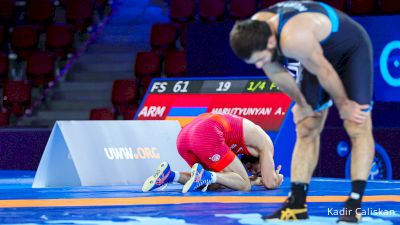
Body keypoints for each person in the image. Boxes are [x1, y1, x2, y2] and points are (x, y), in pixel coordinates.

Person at [229, 1, 374, 223]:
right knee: (306, 126)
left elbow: (325, 71)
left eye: (260, 60)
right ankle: (296, 205)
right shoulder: (256, 30)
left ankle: (354, 204)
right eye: (254, 62)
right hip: (314, 55)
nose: (259, 66)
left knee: (357, 124)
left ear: (270, 41)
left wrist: (345, 105)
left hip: (350, 49)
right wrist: (302, 104)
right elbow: (277, 73)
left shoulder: (293, 38)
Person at [142, 112, 283, 193]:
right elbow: (270, 182)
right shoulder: (265, 142)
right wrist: (277, 177)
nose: (255, 172)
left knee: (208, 183)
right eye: (258, 171)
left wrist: (253, 180)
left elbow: (221, 183)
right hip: (206, 131)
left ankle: (171, 175)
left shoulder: (238, 143)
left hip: (184, 136)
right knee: (244, 185)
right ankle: (203, 175)